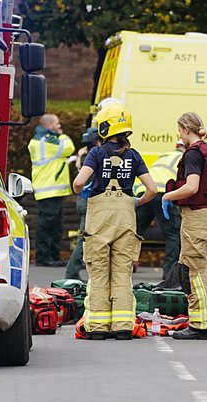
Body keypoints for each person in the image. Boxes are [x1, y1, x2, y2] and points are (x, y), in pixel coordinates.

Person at [72, 104, 157, 340]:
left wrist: (78, 190)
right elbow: (152, 189)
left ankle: (97, 327)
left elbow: (79, 183)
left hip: (100, 217)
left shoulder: (97, 153)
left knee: (99, 274)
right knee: (122, 274)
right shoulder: (134, 155)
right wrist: (134, 203)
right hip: (126, 216)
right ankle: (122, 326)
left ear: (104, 127)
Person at [162, 112, 207, 340]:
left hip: (196, 217)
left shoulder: (193, 155)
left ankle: (199, 324)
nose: (179, 134)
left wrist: (168, 196)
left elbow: (191, 187)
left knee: (190, 271)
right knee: (204, 271)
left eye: (179, 130)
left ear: (186, 130)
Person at [28, 114, 75, 267]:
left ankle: (53, 256)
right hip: (49, 190)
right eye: (57, 123)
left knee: (55, 226)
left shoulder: (46, 139)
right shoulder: (45, 141)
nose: (59, 126)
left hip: (53, 190)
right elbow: (69, 147)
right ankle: (43, 257)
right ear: (49, 126)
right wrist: (62, 135)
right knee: (47, 225)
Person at [133, 141, 185, 278]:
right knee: (173, 235)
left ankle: (122, 268)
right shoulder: (185, 158)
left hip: (144, 193)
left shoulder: (164, 156)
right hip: (164, 194)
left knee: (134, 233)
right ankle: (169, 276)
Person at [65, 126, 102, 280]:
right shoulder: (95, 156)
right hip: (89, 202)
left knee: (85, 238)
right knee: (83, 240)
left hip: (83, 201)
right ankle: (71, 273)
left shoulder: (84, 155)